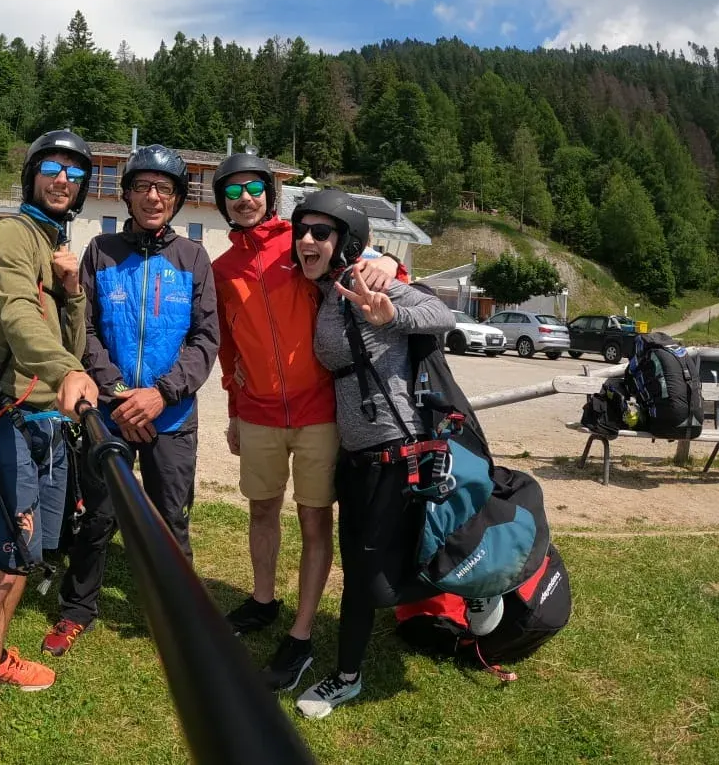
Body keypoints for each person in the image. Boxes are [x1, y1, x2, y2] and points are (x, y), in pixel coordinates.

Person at [211, 154, 398, 693]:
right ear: (222, 202)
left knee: (315, 521)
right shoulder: (222, 269)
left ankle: (301, 632)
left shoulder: (300, 243)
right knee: (261, 510)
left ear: (270, 194)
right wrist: (233, 411)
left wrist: (389, 262)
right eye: (232, 191)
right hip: (258, 413)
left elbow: (361, 260)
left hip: (319, 412)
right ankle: (263, 600)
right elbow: (228, 348)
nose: (244, 199)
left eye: (253, 188)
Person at [0, 130, 100, 765]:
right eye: (51, 167)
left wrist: (73, 290)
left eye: (75, 172)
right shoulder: (10, 239)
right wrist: (67, 371)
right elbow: (17, 319)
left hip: (45, 427)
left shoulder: (53, 245)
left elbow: (69, 337)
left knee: (21, 562)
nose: (63, 179)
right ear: (31, 175)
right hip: (1, 422)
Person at [42, 145, 218, 657]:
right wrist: (120, 396)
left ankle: (178, 616)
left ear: (178, 198)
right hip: (110, 414)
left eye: (164, 188)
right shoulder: (101, 250)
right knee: (96, 516)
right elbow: (86, 329)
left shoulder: (193, 258)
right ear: (127, 195)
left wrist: (161, 394)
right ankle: (78, 608)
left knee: (170, 519)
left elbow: (205, 339)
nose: (153, 196)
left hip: (171, 416)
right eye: (142, 186)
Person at [289, 189, 455, 719]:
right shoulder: (329, 287)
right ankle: (470, 591)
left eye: (321, 232)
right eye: (302, 230)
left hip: (395, 449)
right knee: (372, 567)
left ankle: (347, 676)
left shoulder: (367, 281)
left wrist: (390, 315)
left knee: (367, 576)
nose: (307, 239)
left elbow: (441, 314)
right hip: (357, 453)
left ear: (346, 242)